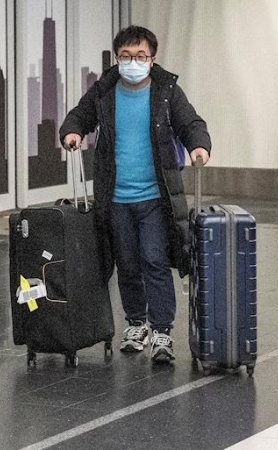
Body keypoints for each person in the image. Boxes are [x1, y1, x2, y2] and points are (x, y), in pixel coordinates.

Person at [59, 25, 211, 363]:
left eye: (140, 56)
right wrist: (71, 131)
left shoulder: (167, 91)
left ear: (152, 59)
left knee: (154, 260)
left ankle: (161, 330)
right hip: (115, 197)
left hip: (155, 197)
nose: (133, 62)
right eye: (126, 56)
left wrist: (199, 146)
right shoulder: (104, 91)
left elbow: (190, 123)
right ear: (117, 58)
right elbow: (80, 116)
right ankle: (136, 323)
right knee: (127, 263)